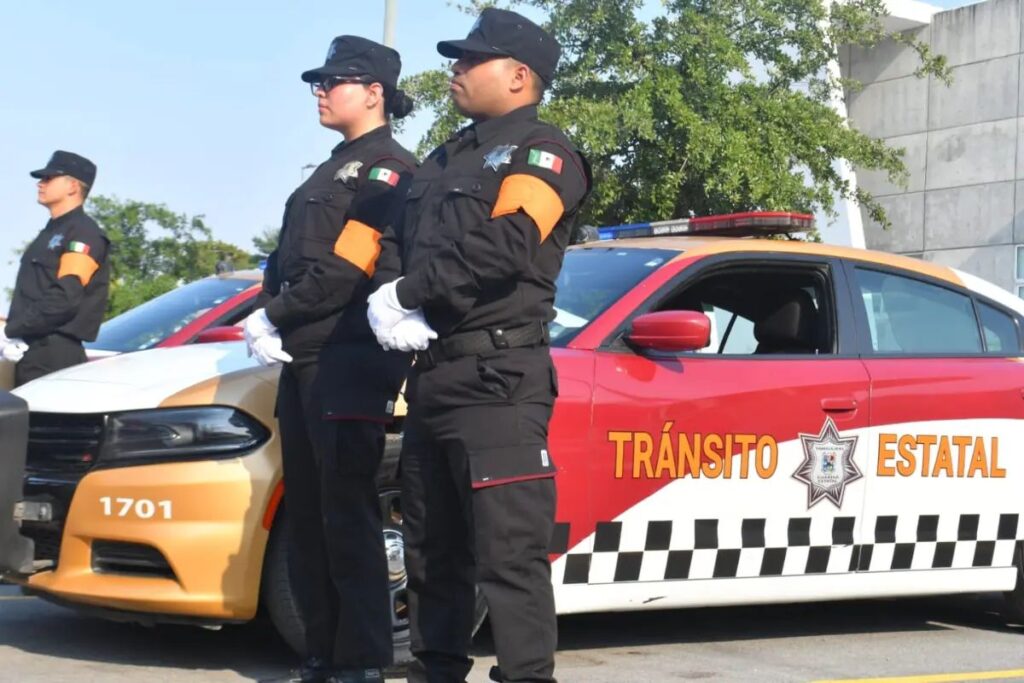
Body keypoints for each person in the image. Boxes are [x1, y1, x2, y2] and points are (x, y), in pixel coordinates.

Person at [366, 9, 591, 683]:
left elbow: (507, 244)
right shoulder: (443, 157)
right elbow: (396, 242)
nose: (455, 69)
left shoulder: (541, 152)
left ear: (519, 76)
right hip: (433, 376)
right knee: (430, 550)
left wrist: (411, 293)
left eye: (471, 60)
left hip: (499, 379)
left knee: (508, 554)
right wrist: (389, 294)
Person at [246, 35, 417, 683]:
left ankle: (362, 661)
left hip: (349, 356)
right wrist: (268, 306)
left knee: (347, 514)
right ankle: (321, 654)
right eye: (318, 82)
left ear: (374, 93)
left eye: (333, 81)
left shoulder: (387, 170)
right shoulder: (327, 170)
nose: (320, 91)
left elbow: (349, 266)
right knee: (313, 516)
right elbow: (285, 260)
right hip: (307, 356)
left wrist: (276, 314)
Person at [3, 151, 109, 387]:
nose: (40, 183)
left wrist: (11, 330)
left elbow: (64, 298)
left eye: (49, 178)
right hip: (31, 350)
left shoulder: (83, 233)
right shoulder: (52, 232)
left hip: (53, 355)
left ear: (72, 186)